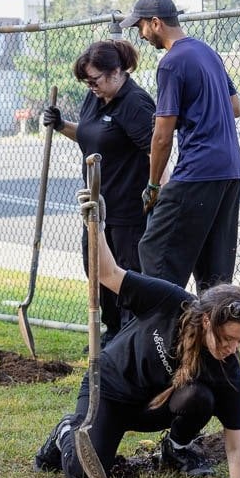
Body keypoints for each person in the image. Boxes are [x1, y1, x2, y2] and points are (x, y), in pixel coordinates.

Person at [34, 190, 240, 478]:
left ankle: (176, 447)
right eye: (227, 338)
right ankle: (66, 430)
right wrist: (96, 227)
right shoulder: (170, 302)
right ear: (207, 320)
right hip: (111, 391)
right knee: (83, 476)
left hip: (155, 409)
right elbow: (107, 272)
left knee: (200, 397)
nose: (231, 349)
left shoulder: (229, 372)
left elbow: (236, 451)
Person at [118, 0, 240, 294]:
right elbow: (236, 107)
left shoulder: (172, 62)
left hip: (198, 170)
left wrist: (152, 185)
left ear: (156, 22)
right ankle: (213, 339)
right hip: (229, 170)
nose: (141, 35)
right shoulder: (206, 52)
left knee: (155, 252)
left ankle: (163, 335)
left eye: (141, 27)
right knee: (214, 274)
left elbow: (162, 136)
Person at [41, 39, 155, 342]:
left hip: (129, 212)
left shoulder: (135, 103)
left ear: (117, 71)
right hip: (97, 209)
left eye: (95, 80)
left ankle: (132, 341)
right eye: (86, 81)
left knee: (127, 279)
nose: (90, 86)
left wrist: (158, 191)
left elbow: (157, 150)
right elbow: (93, 136)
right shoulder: (95, 98)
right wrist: (62, 124)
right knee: (97, 273)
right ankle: (112, 335)